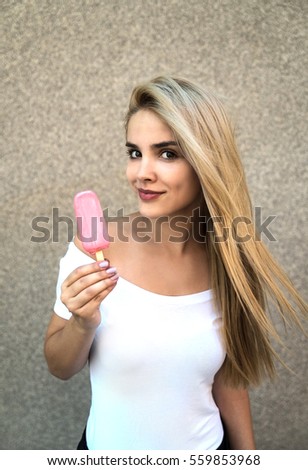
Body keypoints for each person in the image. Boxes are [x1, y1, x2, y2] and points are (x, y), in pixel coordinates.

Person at [44, 76, 307, 450]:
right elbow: (59, 367)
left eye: (167, 153)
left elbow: (228, 381)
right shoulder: (94, 251)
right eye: (135, 152)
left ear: (207, 162)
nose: (141, 173)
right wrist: (83, 322)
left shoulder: (230, 264)